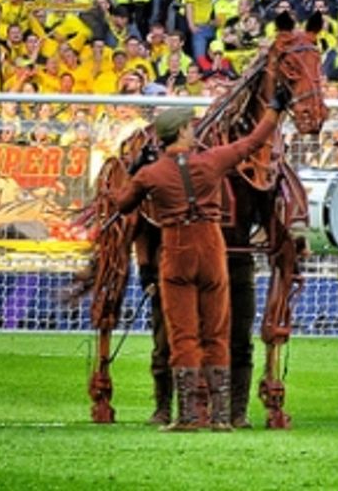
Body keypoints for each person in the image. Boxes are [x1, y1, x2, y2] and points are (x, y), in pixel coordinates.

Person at [111, 92, 286, 431]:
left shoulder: (152, 174)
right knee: (217, 331)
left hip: (175, 250)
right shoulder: (211, 162)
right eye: (190, 128)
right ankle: (221, 417)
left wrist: (135, 169)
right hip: (211, 247)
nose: (194, 132)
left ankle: (187, 416)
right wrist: (274, 110)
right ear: (181, 133)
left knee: (183, 334)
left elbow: (122, 205)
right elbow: (252, 142)